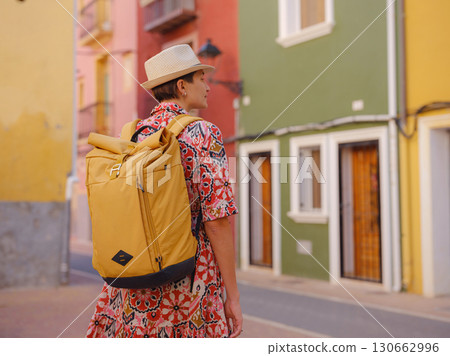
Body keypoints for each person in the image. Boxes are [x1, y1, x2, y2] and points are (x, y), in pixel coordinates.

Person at [86, 44, 243, 338]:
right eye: (201, 79)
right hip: (189, 278)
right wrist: (232, 295)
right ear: (183, 86)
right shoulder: (203, 133)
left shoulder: (135, 134)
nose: (208, 86)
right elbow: (217, 220)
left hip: (135, 276)